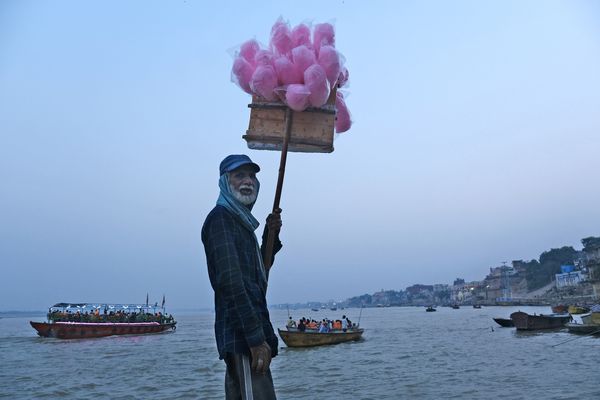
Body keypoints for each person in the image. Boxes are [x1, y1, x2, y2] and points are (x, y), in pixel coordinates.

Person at [202, 154, 283, 400]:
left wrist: (271, 236)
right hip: (243, 339)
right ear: (225, 182)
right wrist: (256, 339)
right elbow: (231, 282)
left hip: (250, 337)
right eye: (239, 175)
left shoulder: (243, 224)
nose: (248, 181)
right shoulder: (221, 219)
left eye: (252, 176)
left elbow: (258, 274)